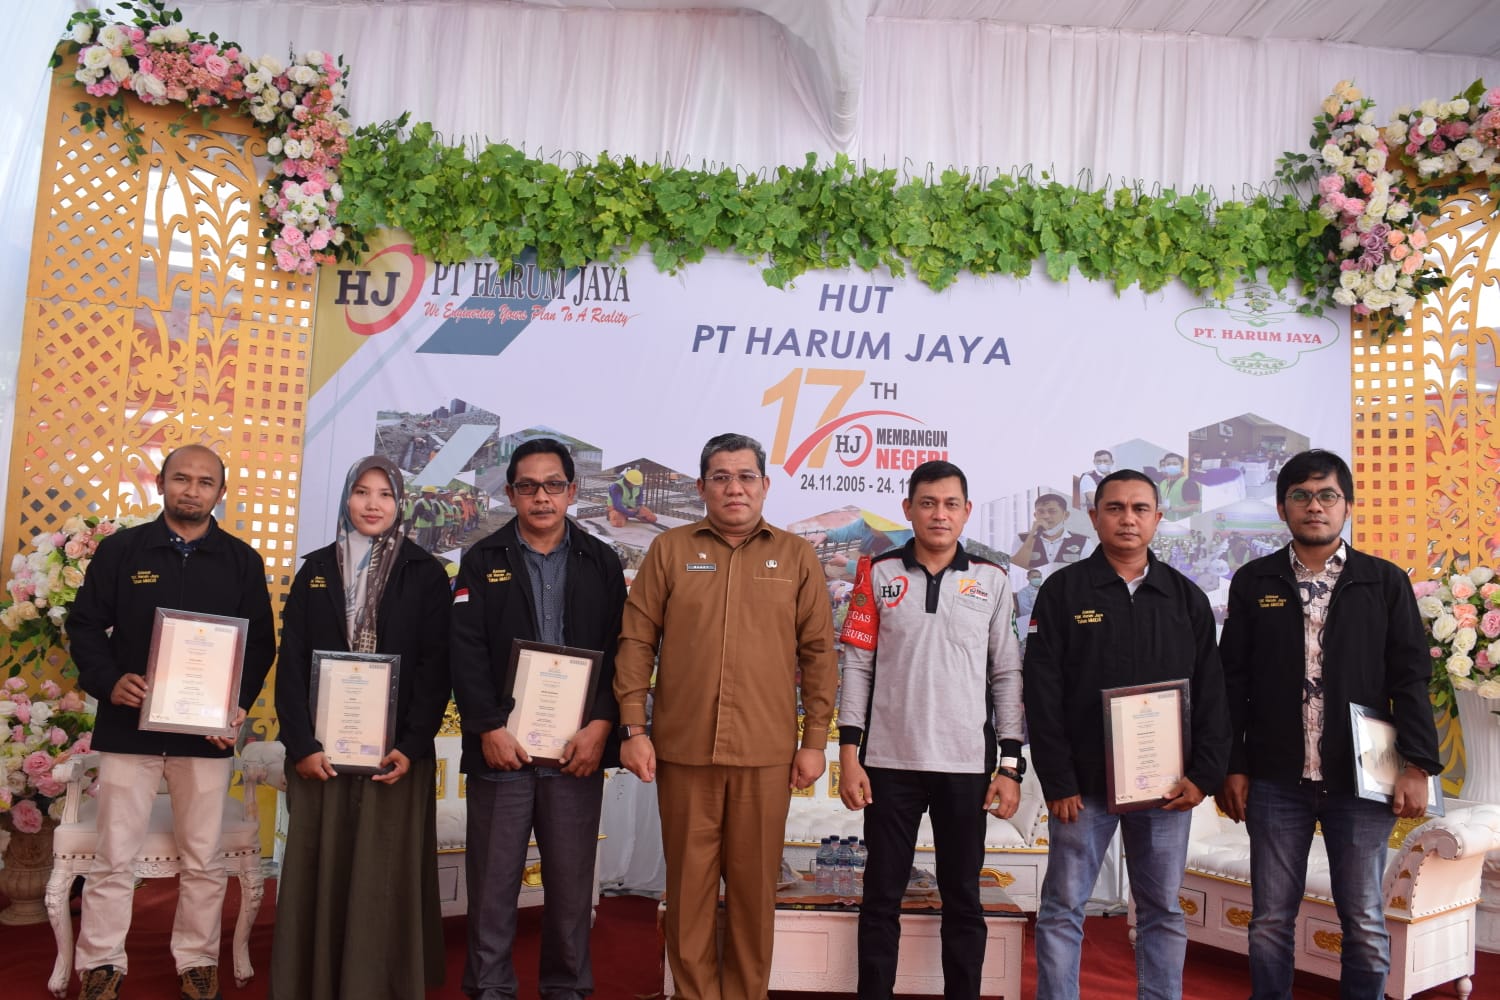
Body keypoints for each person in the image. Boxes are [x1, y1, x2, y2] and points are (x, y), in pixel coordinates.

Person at [614, 432, 838, 1000]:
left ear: (765, 485)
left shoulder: (796, 556)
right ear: (701, 487)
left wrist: (815, 740)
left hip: (766, 754)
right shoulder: (670, 550)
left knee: (753, 894)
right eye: (721, 477)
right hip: (683, 750)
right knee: (687, 893)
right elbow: (636, 640)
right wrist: (634, 727)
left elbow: (818, 652)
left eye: (745, 476)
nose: (734, 488)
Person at [1213, 449, 1441, 1000]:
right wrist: (1232, 766)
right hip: (1274, 779)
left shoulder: (1383, 582)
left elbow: (1411, 678)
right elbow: (1231, 681)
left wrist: (1418, 766)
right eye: (1301, 496)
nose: (1314, 507)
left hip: (1362, 777)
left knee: (1362, 918)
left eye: (1326, 496)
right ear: (1282, 508)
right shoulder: (1254, 581)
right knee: (1270, 917)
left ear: (1347, 506)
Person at [67, 445, 276, 1000]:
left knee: (203, 857)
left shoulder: (242, 561)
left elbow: (260, 645)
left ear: (220, 493)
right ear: (160, 483)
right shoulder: (122, 550)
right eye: (181, 478)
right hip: (127, 729)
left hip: (205, 736)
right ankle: (101, 963)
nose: (192, 490)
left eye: (205, 482)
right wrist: (109, 680)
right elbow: (84, 625)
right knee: (114, 855)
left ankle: (198, 961)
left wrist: (235, 704)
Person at [1024, 469, 1229, 1000]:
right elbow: (1042, 693)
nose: (1128, 519)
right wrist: (1058, 780)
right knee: (1063, 908)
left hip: (1166, 789)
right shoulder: (1063, 592)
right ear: (1094, 518)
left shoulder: (1185, 598)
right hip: (1082, 790)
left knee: (1161, 909)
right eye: (1115, 508)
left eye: (1140, 509)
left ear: (1158, 518)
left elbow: (1212, 693)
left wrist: (1203, 776)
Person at [836, 460, 1025, 999]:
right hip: (888, 764)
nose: (939, 514)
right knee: (881, 897)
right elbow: (858, 665)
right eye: (927, 503)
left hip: (965, 767)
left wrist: (1010, 764)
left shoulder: (992, 579)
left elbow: (1007, 673)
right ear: (908, 509)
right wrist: (849, 754)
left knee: (963, 898)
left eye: (950, 504)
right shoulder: (877, 574)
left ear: (966, 512)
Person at [449, 437, 627, 1000]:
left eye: (553, 485)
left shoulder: (600, 561)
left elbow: (622, 649)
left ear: (571, 490)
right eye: (528, 487)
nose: (541, 497)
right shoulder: (483, 559)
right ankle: (490, 990)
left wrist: (602, 724)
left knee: (571, 889)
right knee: (493, 888)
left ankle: (566, 989)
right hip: (502, 750)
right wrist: (488, 727)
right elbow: (464, 649)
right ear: (510, 494)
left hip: (577, 752)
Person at [270, 455, 452, 999]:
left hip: (393, 758)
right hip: (320, 756)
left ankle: (380, 984)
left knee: (382, 870)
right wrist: (301, 745)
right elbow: (292, 662)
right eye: (362, 492)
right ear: (347, 498)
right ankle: (314, 982)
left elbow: (435, 668)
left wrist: (411, 745)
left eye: (385, 494)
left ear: (400, 504)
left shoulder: (425, 573)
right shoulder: (317, 569)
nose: (373, 504)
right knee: (319, 866)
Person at [1011, 492, 1090, 570]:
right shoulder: (1021, 539)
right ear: (1035, 515)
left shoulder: (1083, 541)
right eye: (1041, 512)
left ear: (1065, 515)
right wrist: (1032, 535)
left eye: (1052, 511)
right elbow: (1015, 568)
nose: (1046, 516)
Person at [1155, 452, 1201, 520]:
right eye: (1168, 464)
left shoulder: (1188, 483)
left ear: (1182, 466)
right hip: (1167, 521)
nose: (1171, 466)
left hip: (1183, 522)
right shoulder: (1163, 483)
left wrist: (1170, 508)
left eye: (1175, 464)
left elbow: (1195, 507)